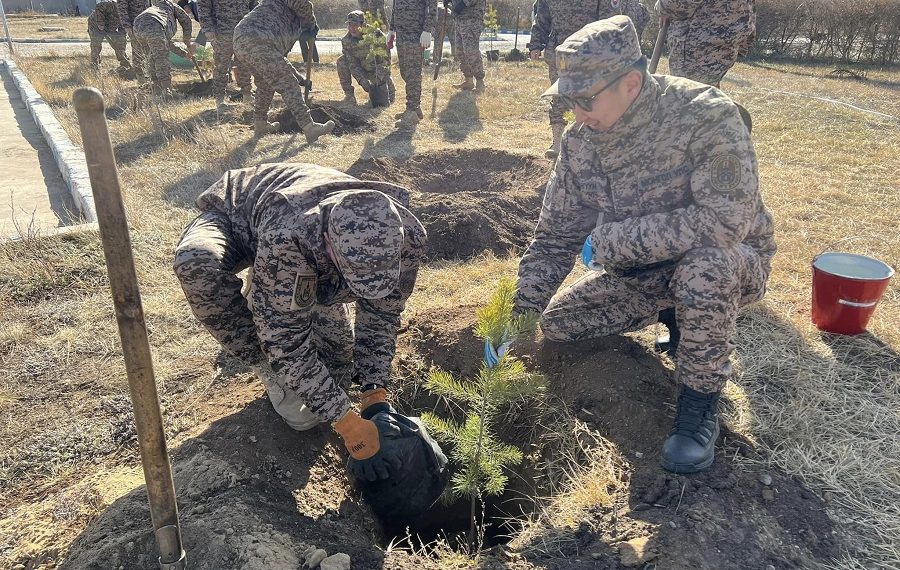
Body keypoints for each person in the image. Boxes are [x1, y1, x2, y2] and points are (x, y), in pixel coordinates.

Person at [513, 16, 776, 474]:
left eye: (584, 99)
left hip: (731, 260)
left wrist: (613, 241)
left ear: (631, 83)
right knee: (560, 324)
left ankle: (698, 403)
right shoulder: (580, 144)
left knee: (703, 270)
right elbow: (554, 236)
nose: (576, 114)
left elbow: (725, 223)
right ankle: (675, 312)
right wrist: (521, 311)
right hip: (646, 271)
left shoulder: (706, 115)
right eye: (567, 100)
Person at [173, 163, 427, 479]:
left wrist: (374, 392)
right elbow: (287, 346)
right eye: (354, 279)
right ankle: (264, 324)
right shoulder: (289, 237)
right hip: (239, 213)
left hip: (301, 252)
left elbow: (382, 314)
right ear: (329, 243)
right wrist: (345, 422)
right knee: (195, 263)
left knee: (338, 367)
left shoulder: (406, 237)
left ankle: (282, 296)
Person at [528, 0, 649, 160]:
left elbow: (619, 16)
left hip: (594, 54)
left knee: (596, 98)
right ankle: (558, 142)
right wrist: (536, 43)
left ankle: (596, 141)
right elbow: (542, 15)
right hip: (561, 51)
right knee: (561, 97)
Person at [233, 0, 335, 141]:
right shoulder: (286, 14)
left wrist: (300, 79)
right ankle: (309, 127)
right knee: (288, 84)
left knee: (265, 84)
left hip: (241, 40)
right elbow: (303, 4)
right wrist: (310, 25)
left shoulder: (275, 11)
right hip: (259, 38)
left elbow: (279, 60)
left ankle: (260, 124)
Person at [658, 0, 755, 88]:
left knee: (690, 95)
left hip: (699, 43)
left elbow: (679, 5)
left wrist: (662, 6)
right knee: (708, 92)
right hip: (728, 34)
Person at [386, 0, 434, 128]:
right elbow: (396, 6)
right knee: (405, 72)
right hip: (401, 36)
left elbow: (432, 6)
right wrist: (392, 29)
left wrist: (427, 30)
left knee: (413, 73)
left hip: (415, 35)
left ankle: (411, 111)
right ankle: (415, 107)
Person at [197, 0, 253, 110]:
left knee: (244, 65)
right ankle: (220, 99)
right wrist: (208, 30)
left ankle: (247, 96)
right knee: (221, 67)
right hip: (222, 32)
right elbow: (203, 7)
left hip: (243, 31)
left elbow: (253, 5)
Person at [132, 0, 195, 95]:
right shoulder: (172, 6)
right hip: (154, 23)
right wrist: (187, 38)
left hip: (137, 25)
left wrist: (184, 54)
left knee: (151, 56)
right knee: (161, 58)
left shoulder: (156, 8)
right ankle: (167, 90)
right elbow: (186, 20)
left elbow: (165, 43)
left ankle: (156, 86)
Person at [337, 11, 395, 107]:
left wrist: (378, 78)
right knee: (341, 61)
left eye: (355, 25)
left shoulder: (376, 35)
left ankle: (385, 89)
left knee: (386, 102)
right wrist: (361, 80)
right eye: (350, 25)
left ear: (363, 24)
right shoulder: (346, 40)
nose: (352, 28)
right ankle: (349, 96)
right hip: (362, 69)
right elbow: (352, 64)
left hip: (377, 71)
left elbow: (386, 61)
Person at [87, 0, 132, 73]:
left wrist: (121, 47)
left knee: (119, 43)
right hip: (95, 24)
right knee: (96, 44)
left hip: (110, 27)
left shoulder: (127, 16)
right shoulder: (112, 5)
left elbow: (122, 33)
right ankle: (94, 65)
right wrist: (101, 25)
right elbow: (99, 6)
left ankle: (124, 62)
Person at [449, 0, 484, 91]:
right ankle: (469, 81)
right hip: (459, 20)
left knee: (470, 50)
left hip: (472, 20)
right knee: (460, 51)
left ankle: (480, 82)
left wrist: (464, 2)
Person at [118, 0, 151, 70]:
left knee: (150, 50)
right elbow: (122, 10)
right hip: (135, 25)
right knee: (138, 52)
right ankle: (139, 75)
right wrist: (127, 26)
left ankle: (150, 72)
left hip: (148, 24)